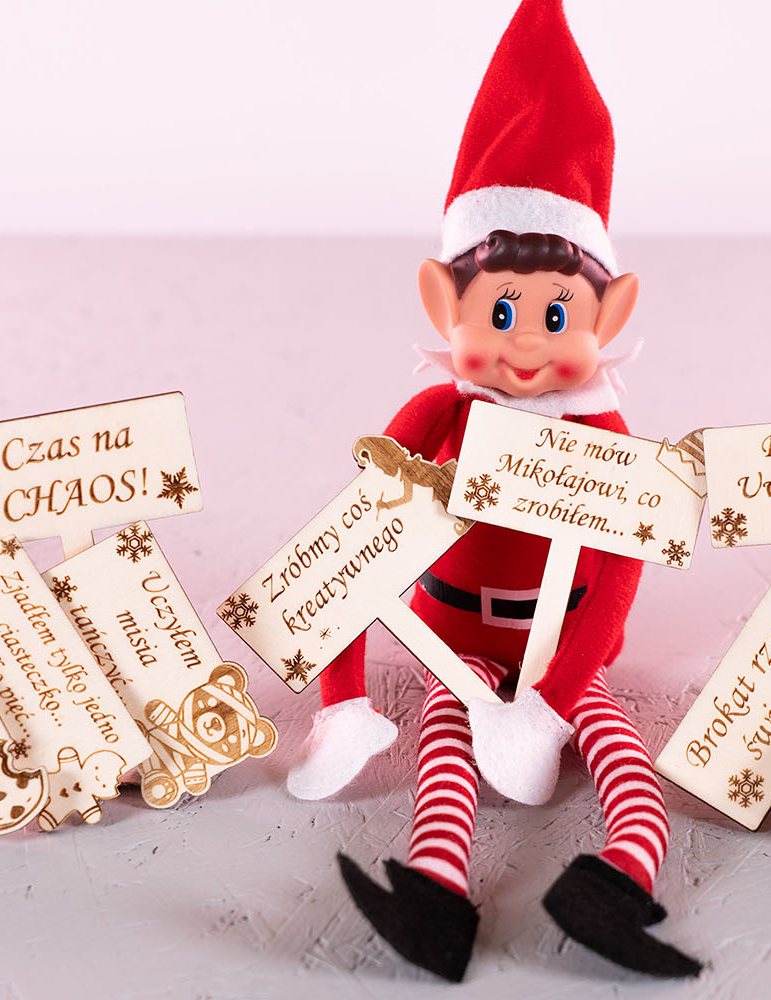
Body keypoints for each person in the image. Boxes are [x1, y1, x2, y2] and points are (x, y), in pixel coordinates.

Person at [287, 1, 700, 981]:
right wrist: (343, 700)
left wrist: (551, 699)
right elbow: (349, 549)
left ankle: (614, 886)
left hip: (565, 656)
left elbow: (618, 580)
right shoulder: (437, 416)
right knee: (444, 760)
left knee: (624, 760)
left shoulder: (606, 444)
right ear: (445, 302)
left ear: (609, 315)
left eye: (557, 317)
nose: (524, 343)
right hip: (453, 643)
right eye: (500, 311)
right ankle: (434, 895)